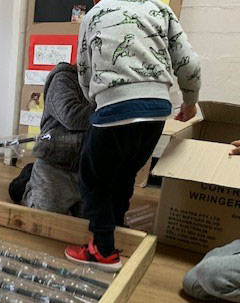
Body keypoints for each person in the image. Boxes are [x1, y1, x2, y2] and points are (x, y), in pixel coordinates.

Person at [64, 0, 201, 272]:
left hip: (115, 106)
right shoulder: (160, 9)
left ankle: (102, 250)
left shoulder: (93, 15)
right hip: (156, 109)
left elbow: (84, 70)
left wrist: (97, 102)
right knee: (125, 172)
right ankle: (116, 226)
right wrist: (190, 101)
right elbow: (189, 62)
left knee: (93, 180)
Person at [8, 62, 95, 216]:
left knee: (91, 220)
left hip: (89, 169)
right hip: (56, 163)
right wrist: (112, 110)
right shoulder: (64, 76)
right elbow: (71, 115)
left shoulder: (108, 83)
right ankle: (27, 184)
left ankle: (72, 203)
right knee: (43, 214)